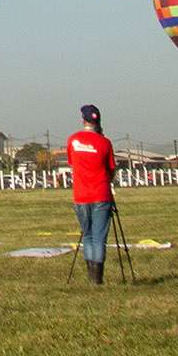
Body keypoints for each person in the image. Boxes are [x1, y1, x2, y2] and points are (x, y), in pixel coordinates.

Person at [65, 103, 118, 285]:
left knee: (87, 235)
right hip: (101, 194)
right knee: (99, 238)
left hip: (81, 195)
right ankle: (97, 278)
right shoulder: (105, 142)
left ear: (83, 120)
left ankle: (90, 275)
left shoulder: (73, 140)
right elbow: (111, 169)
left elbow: (72, 163)